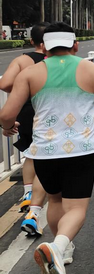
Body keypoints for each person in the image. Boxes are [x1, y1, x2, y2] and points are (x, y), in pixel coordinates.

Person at [0, 23, 94, 274]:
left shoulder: (30, 73)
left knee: (55, 200)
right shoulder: (92, 70)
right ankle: (58, 246)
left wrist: (7, 127)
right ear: (75, 45)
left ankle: (61, 250)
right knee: (76, 208)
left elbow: (7, 114)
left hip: (45, 151)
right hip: (81, 150)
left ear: (43, 47)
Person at [0, 23, 48, 236]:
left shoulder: (22, 60)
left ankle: (28, 193)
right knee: (46, 155)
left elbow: (4, 84)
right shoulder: (56, 59)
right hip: (47, 110)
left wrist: (22, 88)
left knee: (30, 152)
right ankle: (37, 203)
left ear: (32, 40)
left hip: (26, 110)